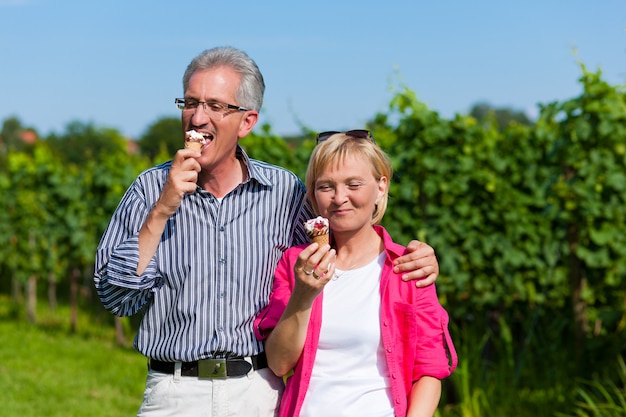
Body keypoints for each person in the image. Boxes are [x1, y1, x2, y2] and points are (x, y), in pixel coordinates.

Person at [94, 47, 441, 417]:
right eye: (191, 102)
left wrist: (414, 256)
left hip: (258, 391)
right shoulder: (150, 189)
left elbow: (344, 236)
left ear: (247, 121)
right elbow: (116, 298)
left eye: (215, 105)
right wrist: (163, 209)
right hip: (175, 392)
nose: (197, 117)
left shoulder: (285, 192)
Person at [255, 130, 457, 417]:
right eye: (326, 186)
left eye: (354, 184)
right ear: (313, 195)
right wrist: (302, 295)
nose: (340, 198)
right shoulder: (294, 263)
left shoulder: (408, 268)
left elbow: (429, 369)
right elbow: (278, 363)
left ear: (381, 187)